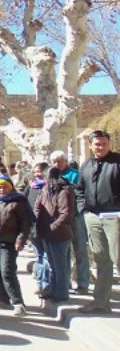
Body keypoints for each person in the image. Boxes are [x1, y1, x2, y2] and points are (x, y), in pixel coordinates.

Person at [76, 130, 120, 314]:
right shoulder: (86, 164)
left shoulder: (117, 162)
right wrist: (84, 210)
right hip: (93, 217)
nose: (100, 147)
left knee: (118, 258)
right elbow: (79, 189)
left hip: (115, 216)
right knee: (101, 259)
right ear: (91, 145)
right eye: (97, 144)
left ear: (109, 144)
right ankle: (101, 301)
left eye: (104, 144)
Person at [0, 176, 32, 316]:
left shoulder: (18, 202)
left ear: (11, 187)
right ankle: (3, 299)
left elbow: (25, 224)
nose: (1, 190)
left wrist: (21, 240)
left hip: (10, 242)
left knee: (7, 271)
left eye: (4, 187)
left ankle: (18, 303)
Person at [35, 167, 75, 314]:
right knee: (51, 264)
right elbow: (38, 206)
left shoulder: (65, 192)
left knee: (60, 265)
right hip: (46, 232)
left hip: (59, 234)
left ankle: (62, 293)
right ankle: (53, 290)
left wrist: (53, 226)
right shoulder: (46, 190)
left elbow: (66, 213)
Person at [50, 150, 89, 295]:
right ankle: (64, 283)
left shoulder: (74, 174)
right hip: (59, 217)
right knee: (62, 252)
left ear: (65, 161)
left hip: (75, 216)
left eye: (59, 161)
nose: (57, 164)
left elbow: (81, 192)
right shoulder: (52, 174)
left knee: (80, 250)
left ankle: (83, 283)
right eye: (54, 161)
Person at [23, 162, 50, 296]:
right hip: (33, 227)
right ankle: (41, 284)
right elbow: (24, 203)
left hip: (47, 226)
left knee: (46, 256)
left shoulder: (50, 186)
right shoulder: (31, 187)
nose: (37, 174)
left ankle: (46, 284)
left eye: (40, 171)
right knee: (39, 255)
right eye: (35, 172)